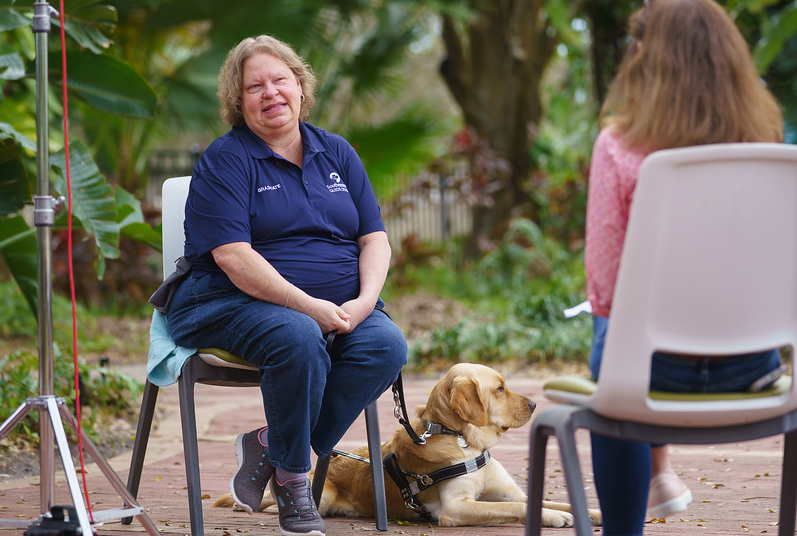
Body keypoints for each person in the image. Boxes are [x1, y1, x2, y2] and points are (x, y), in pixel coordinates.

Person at [165, 34, 408, 536]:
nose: (270, 93)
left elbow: (375, 239)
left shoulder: (336, 151)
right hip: (225, 299)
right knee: (298, 338)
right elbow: (234, 259)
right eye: (255, 86)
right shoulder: (226, 159)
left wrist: (363, 303)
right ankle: (295, 484)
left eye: (280, 80)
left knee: (385, 345)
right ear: (238, 100)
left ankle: (269, 446)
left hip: (339, 302)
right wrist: (311, 308)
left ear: (300, 86)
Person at [584, 0, 784, 534]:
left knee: (613, 368)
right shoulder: (768, 146)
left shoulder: (620, 147)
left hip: (648, 372)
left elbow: (604, 290)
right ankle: (661, 475)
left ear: (647, 60)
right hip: (755, 369)